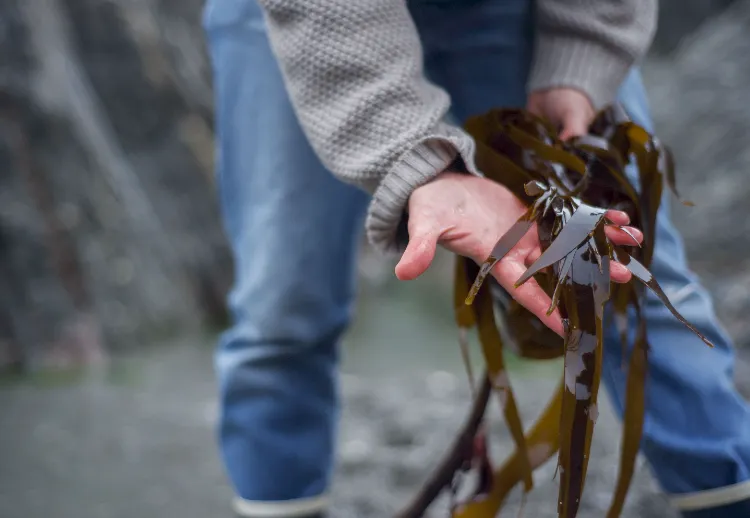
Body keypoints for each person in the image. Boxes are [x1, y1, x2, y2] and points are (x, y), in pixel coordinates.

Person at [201, 0, 750, 516]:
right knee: (282, 313)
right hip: (308, 22)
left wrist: (581, 55)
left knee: (636, 289)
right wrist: (417, 159)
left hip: (520, 10)